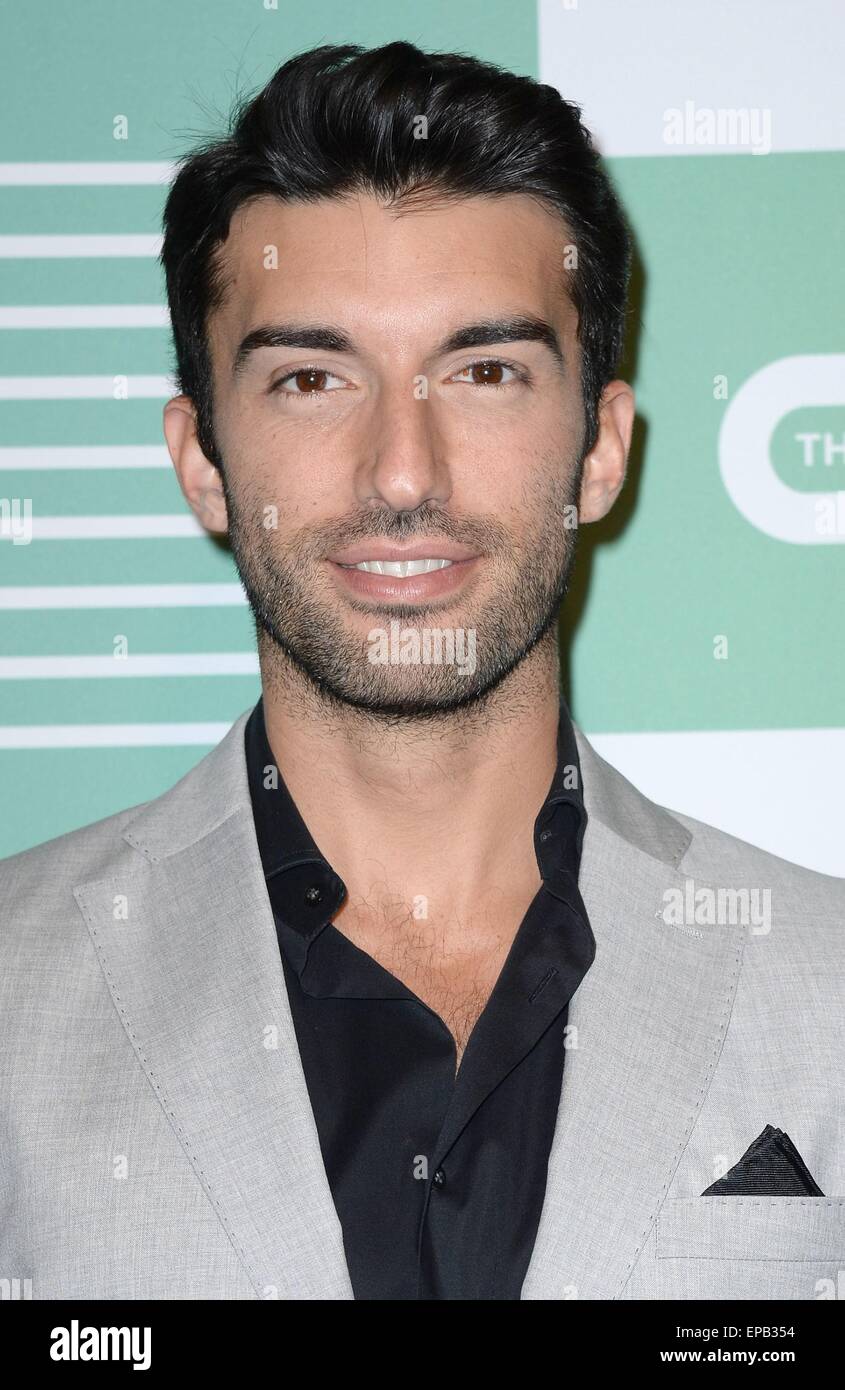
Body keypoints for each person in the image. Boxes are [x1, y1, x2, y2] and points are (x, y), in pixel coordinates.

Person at [1, 42, 842, 1302]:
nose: (404, 473)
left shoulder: (822, 984)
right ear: (203, 463)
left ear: (601, 449)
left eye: (485, 372)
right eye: (311, 378)